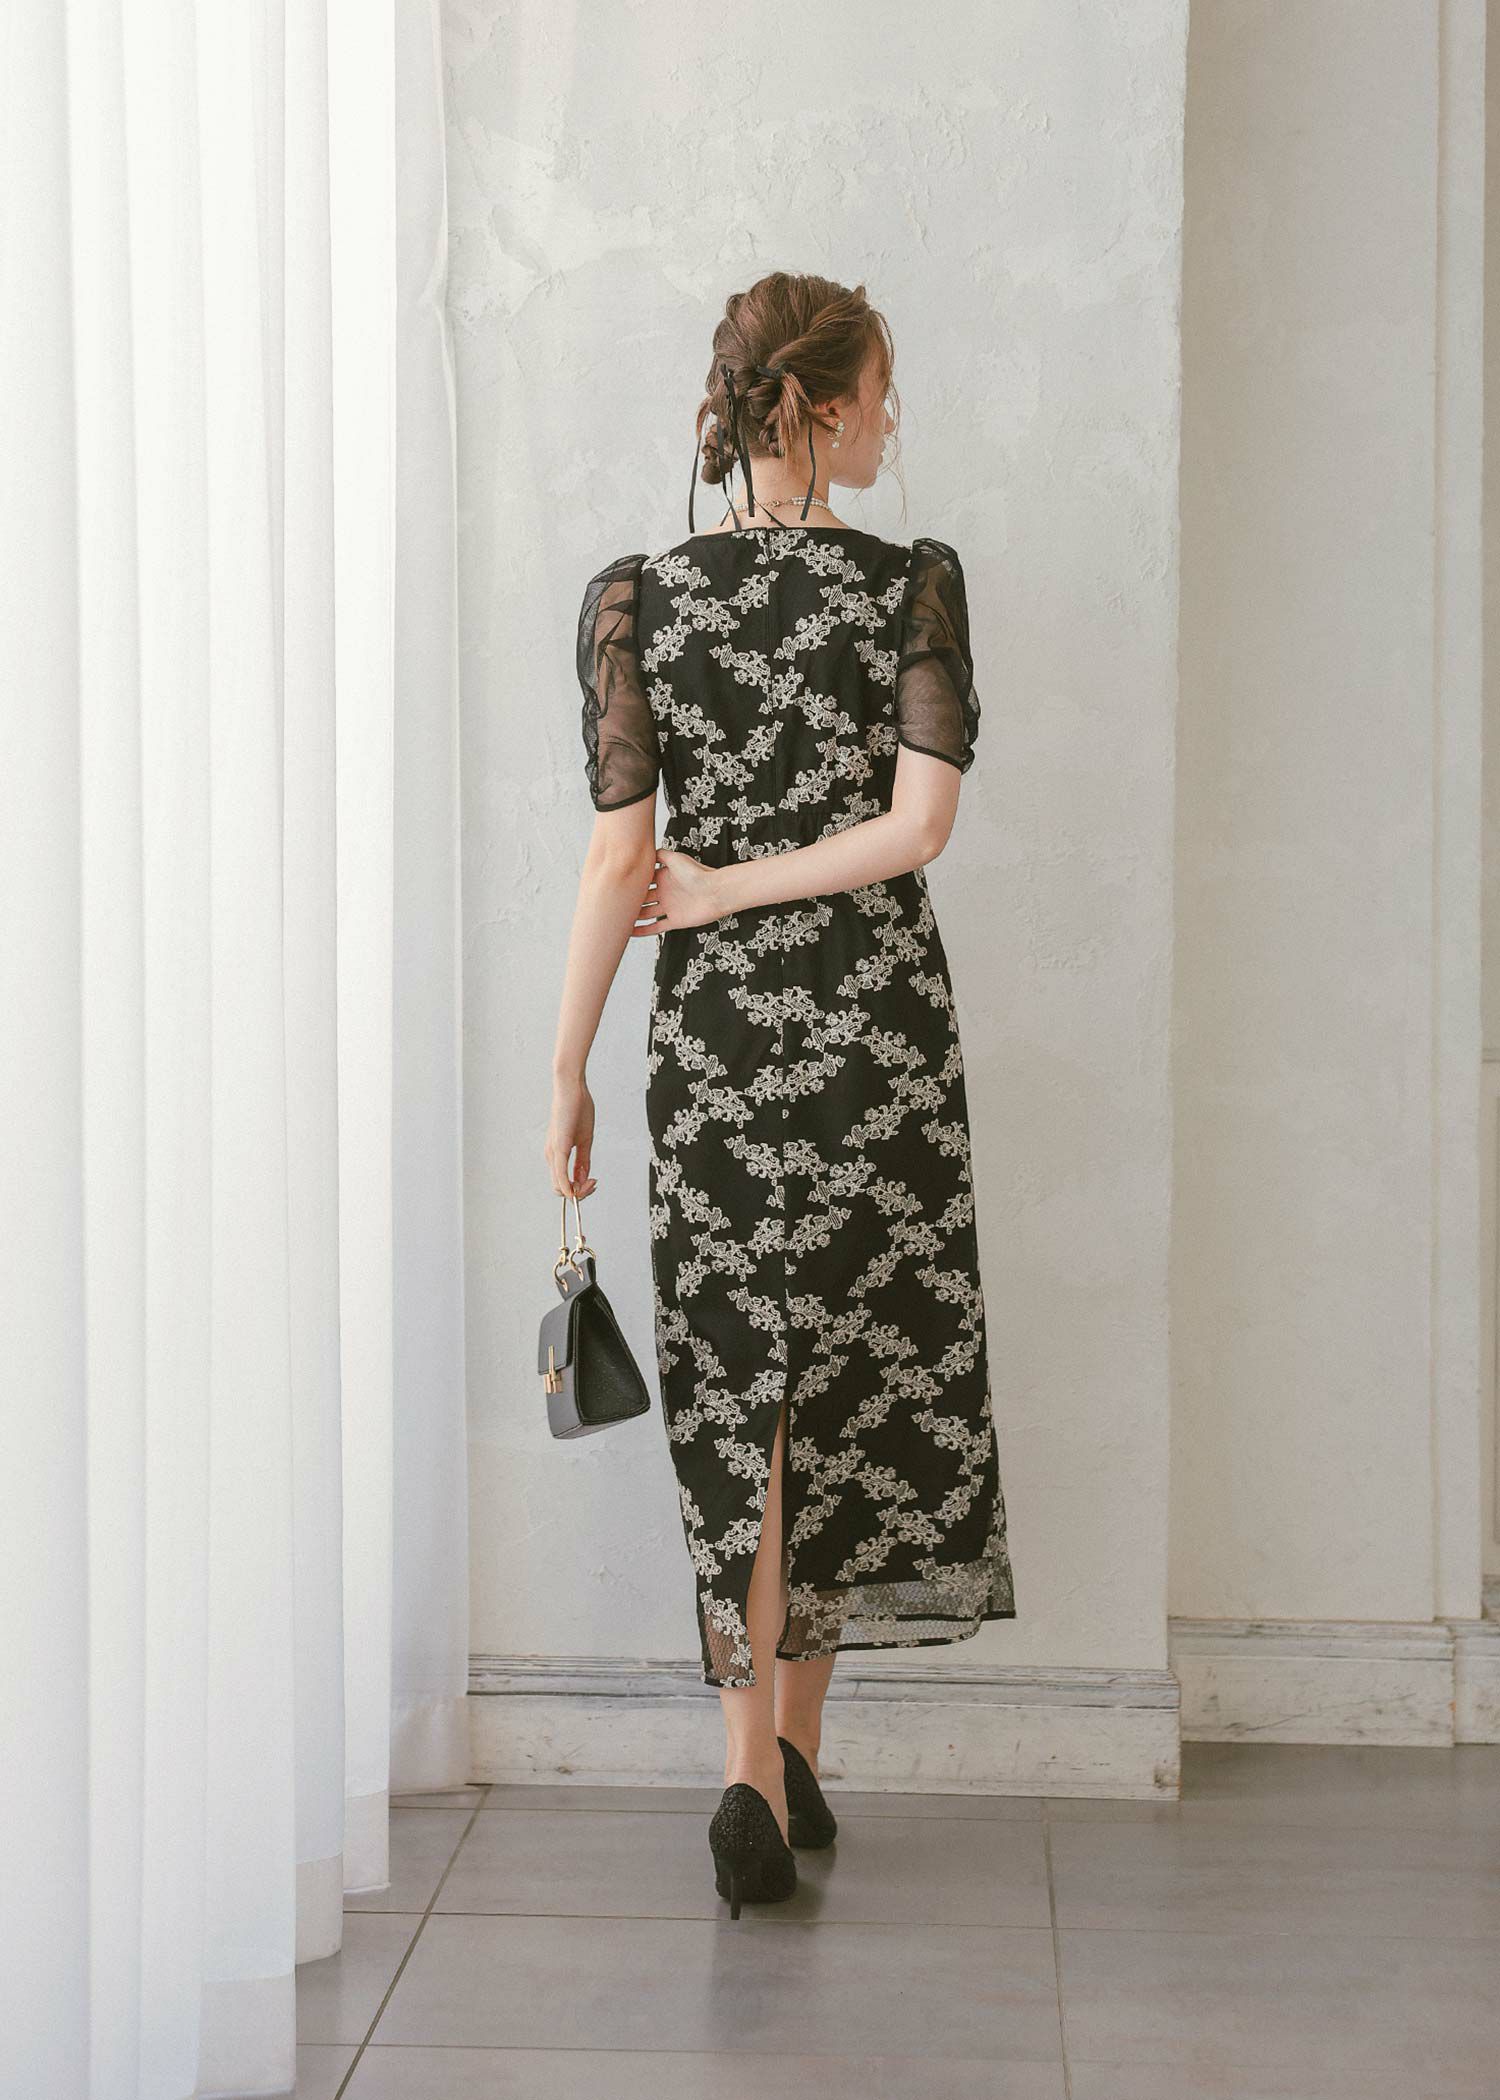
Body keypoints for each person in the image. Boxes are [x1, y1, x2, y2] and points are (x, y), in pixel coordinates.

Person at [546, 269, 1016, 1919]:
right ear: (814, 409)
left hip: (720, 1055)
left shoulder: (640, 602)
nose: (891, 420)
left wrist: (567, 1064)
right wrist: (746, 891)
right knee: (852, 1381)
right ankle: (794, 1757)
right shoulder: (913, 586)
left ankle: (754, 1769)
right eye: (876, 393)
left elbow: (620, 865)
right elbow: (919, 828)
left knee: (747, 1388)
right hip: (878, 1035)